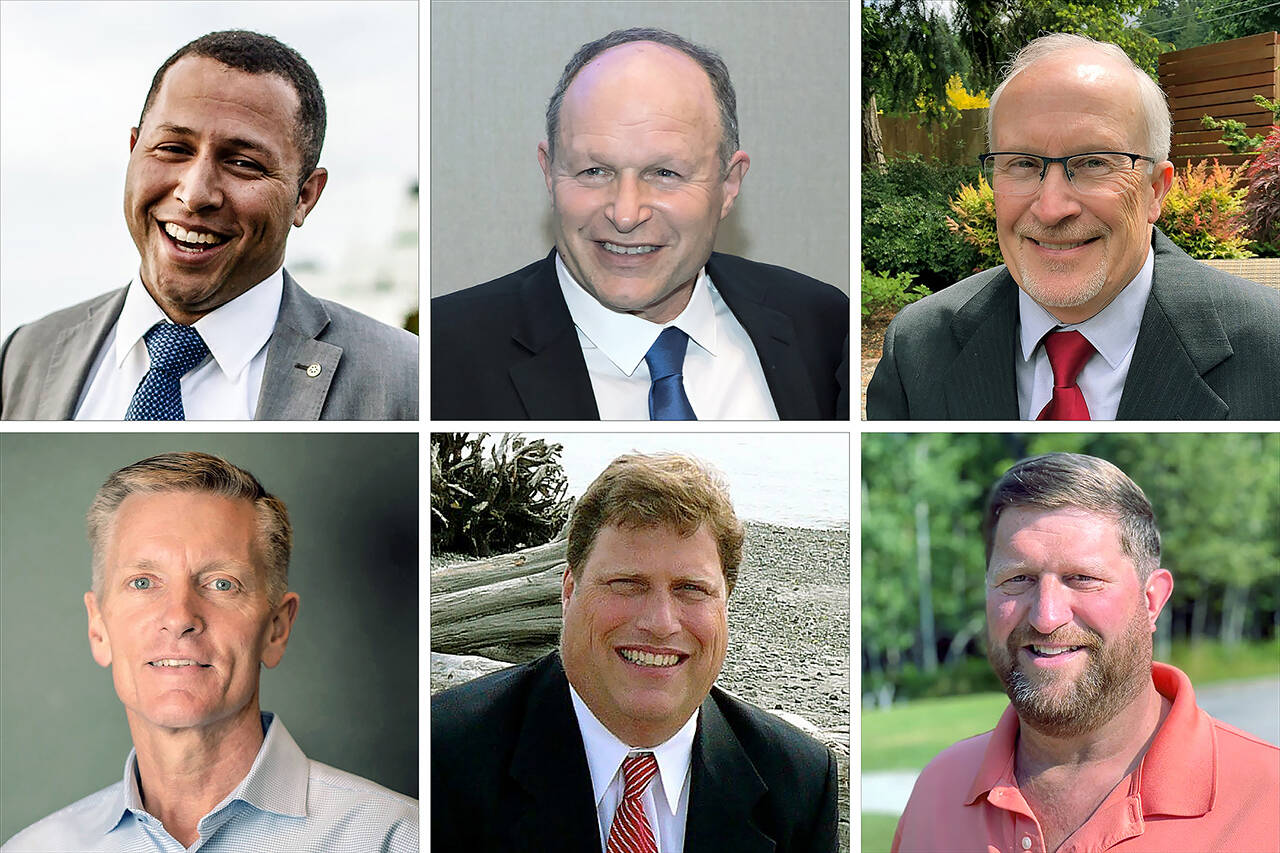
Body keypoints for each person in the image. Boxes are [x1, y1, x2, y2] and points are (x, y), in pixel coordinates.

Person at [1, 452, 418, 852]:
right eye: (144, 582)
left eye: (221, 583)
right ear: (99, 628)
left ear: (277, 628)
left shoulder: (399, 839)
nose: (180, 616)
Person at [431, 27, 849, 420]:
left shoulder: (822, 324)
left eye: (665, 173)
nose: (626, 214)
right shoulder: (439, 358)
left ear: (728, 184)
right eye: (594, 171)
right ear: (549, 173)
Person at [0, 30, 417, 421]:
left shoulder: (404, 378)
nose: (195, 193)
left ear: (305, 196)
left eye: (242, 163)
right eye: (173, 149)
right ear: (133, 152)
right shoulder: (27, 353)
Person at [432, 453, 839, 851]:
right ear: (569, 591)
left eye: (691, 589)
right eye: (628, 583)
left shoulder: (798, 782)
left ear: (725, 604)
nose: (661, 622)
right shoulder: (443, 756)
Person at [866, 33, 1280, 420]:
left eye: (1094, 162)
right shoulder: (917, 347)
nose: (1051, 208)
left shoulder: (1270, 346)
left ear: (1155, 190)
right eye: (1023, 164)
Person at [893, 453, 1279, 852]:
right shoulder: (938, 790)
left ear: (1152, 601)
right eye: (1018, 579)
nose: (1046, 617)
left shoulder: (1269, 801)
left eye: (1083, 579)